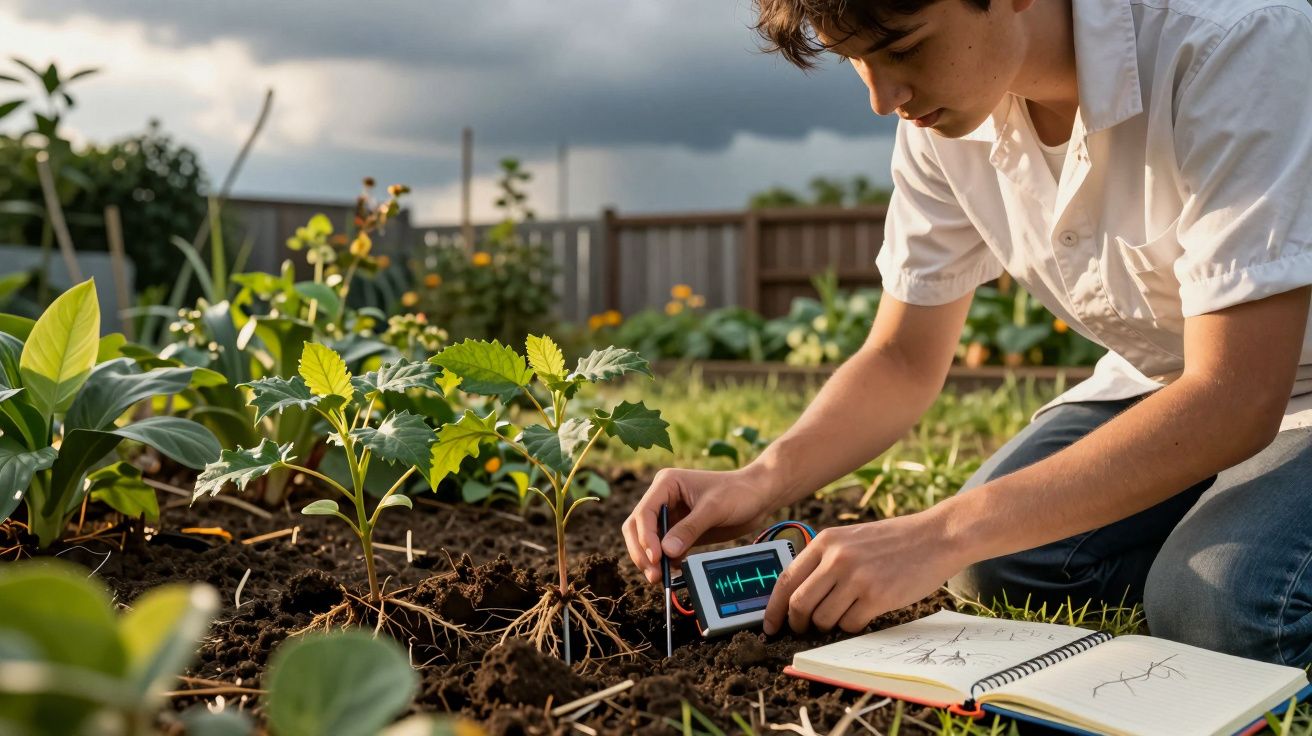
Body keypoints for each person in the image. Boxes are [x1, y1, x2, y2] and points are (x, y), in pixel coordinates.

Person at [622, 0, 1312, 667]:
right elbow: (902, 358)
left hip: (1266, 384)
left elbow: (1237, 395)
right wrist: (760, 479)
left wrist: (940, 532)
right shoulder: (947, 122)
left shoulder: (1237, 42)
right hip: (1169, 378)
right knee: (994, 563)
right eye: (856, 60)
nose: (883, 99)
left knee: (1230, 608)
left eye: (903, 48)